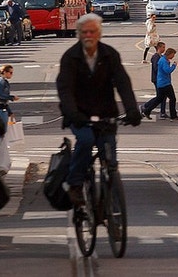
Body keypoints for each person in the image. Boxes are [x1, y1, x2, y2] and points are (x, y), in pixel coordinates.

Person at [53, 14, 142, 209]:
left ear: (99, 34)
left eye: (92, 32)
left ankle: (112, 205)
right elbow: (64, 88)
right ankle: (75, 184)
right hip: (80, 114)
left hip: (106, 114)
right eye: (84, 32)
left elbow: (123, 83)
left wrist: (132, 110)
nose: (88, 35)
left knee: (109, 156)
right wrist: (72, 112)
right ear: (78, 34)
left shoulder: (110, 55)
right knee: (85, 141)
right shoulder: (70, 57)